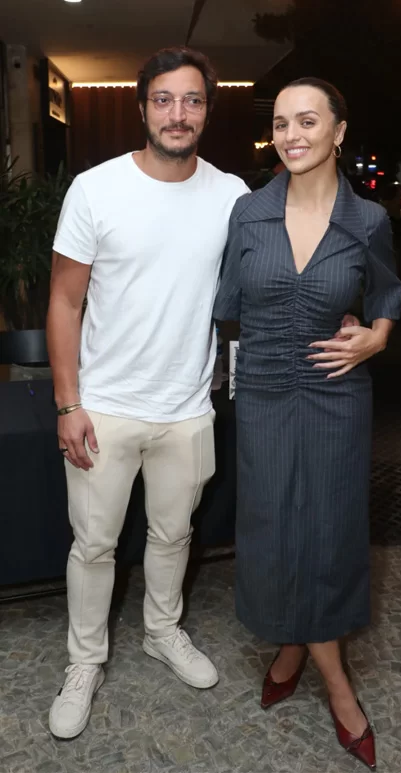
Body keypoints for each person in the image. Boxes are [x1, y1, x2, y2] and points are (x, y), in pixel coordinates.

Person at [45, 46, 251, 740]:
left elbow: (263, 286)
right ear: (141, 109)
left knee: (174, 534)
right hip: (104, 405)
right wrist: (68, 404)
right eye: (163, 99)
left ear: (207, 112)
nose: (177, 113)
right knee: (94, 545)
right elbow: (64, 302)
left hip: (188, 408)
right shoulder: (95, 189)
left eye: (191, 100)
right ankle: (84, 660)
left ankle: (162, 631)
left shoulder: (231, 196)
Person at [214, 77, 401, 770]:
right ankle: (301, 650)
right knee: (269, 528)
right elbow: (224, 300)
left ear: (338, 131)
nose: (291, 135)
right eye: (280, 123)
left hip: (334, 393)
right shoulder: (248, 212)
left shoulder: (369, 221)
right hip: (263, 390)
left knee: (327, 530)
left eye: (307, 121)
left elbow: (386, 292)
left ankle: (321, 672)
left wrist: (377, 334)